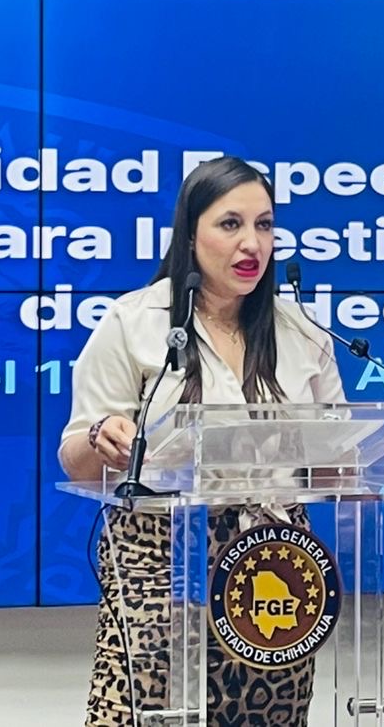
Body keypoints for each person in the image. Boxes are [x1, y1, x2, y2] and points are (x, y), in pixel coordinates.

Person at [58, 156, 346, 727]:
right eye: (230, 224)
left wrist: (339, 458)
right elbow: (77, 459)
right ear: (191, 235)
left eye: (264, 225)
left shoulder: (303, 332)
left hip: (273, 575)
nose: (252, 243)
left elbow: (339, 463)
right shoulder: (134, 321)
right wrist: (101, 437)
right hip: (160, 570)